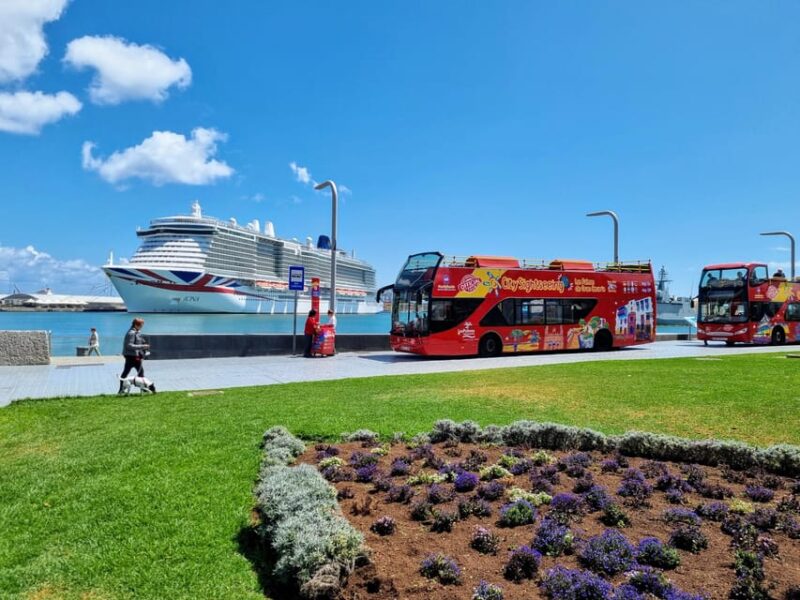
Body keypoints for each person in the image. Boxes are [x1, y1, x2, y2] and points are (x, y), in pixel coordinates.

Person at [118, 318, 149, 393]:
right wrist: (142, 346)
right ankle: (122, 389)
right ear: (136, 325)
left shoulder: (137, 332)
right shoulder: (131, 333)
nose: (142, 327)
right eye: (141, 325)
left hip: (134, 356)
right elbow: (129, 345)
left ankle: (122, 389)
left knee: (136, 372)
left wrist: (143, 344)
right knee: (130, 372)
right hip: (131, 356)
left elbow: (138, 341)